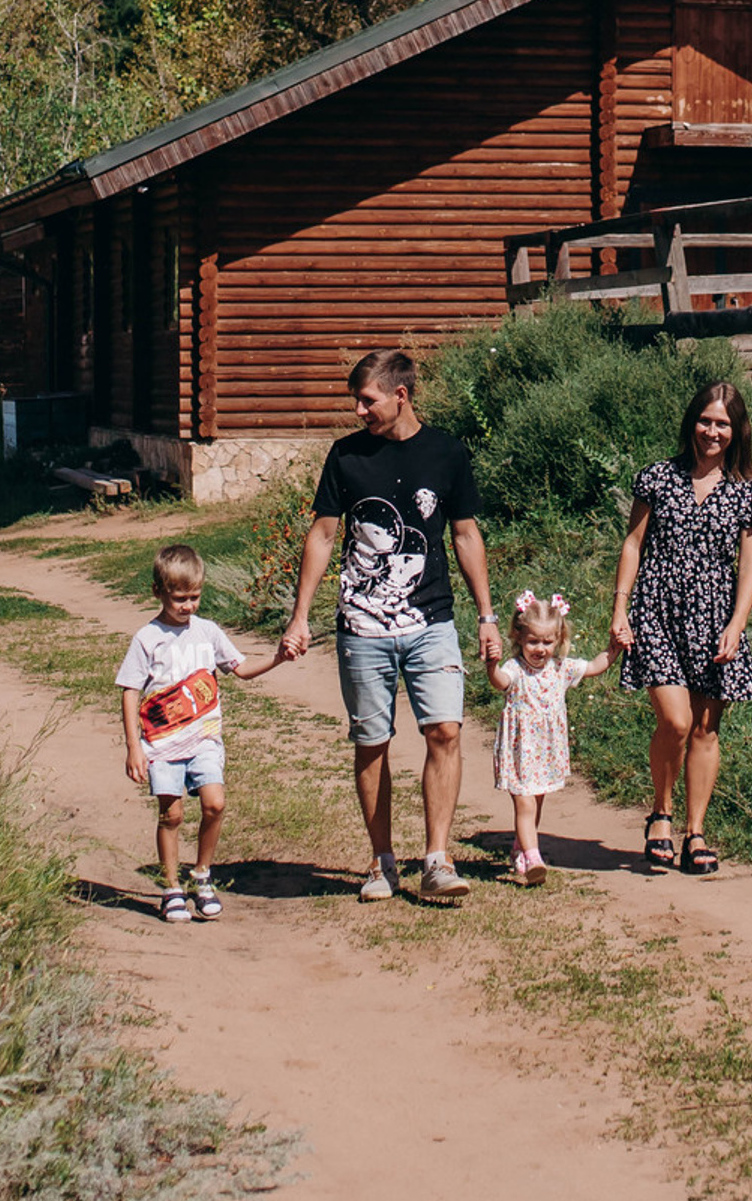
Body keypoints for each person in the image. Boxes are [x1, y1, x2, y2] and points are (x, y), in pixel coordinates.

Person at [284, 349, 495, 905]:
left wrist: (488, 617)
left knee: (445, 731)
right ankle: (381, 864)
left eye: (367, 399)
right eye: (357, 400)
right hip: (362, 627)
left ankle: (436, 859)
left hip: (432, 620)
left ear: (400, 395)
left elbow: (466, 536)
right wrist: (300, 615)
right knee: (372, 743)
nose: (358, 410)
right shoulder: (346, 456)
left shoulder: (447, 452)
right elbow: (324, 536)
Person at [608, 379, 752, 878]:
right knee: (676, 722)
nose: (712, 431)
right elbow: (633, 545)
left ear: (737, 430)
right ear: (691, 422)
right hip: (656, 610)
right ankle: (661, 812)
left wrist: (736, 624)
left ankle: (695, 832)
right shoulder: (658, 478)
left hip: (716, 617)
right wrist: (620, 609)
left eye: (722, 423)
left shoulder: (749, 495)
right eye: (705, 420)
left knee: (705, 728)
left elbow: (750, 567)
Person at [118, 542, 289, 923]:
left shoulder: (208, 632)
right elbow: (130, 691)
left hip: (205, 739)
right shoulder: (147, 639)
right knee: (172, 815)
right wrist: (134, 747)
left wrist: (277, 658)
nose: (188, 606)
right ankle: (171, 888)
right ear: (158, 592)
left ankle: (202, 876)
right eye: (179, 598)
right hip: (162, 745)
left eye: (194, 597)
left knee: (215, 804)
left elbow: (239, 668)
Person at [484, 590, 617, 886]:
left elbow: (596, 666)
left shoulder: (561, 668)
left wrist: (614, 648)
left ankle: (520, 848)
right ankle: (533, 857)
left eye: (547, 641)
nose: (540, 649)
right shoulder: (515, 669)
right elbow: (500, 683)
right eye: (533, 641)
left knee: (537, 802)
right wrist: (491, 666)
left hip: (544, 751)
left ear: (558, 639)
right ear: (519, 637)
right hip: (519, 750)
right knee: (526, 804)